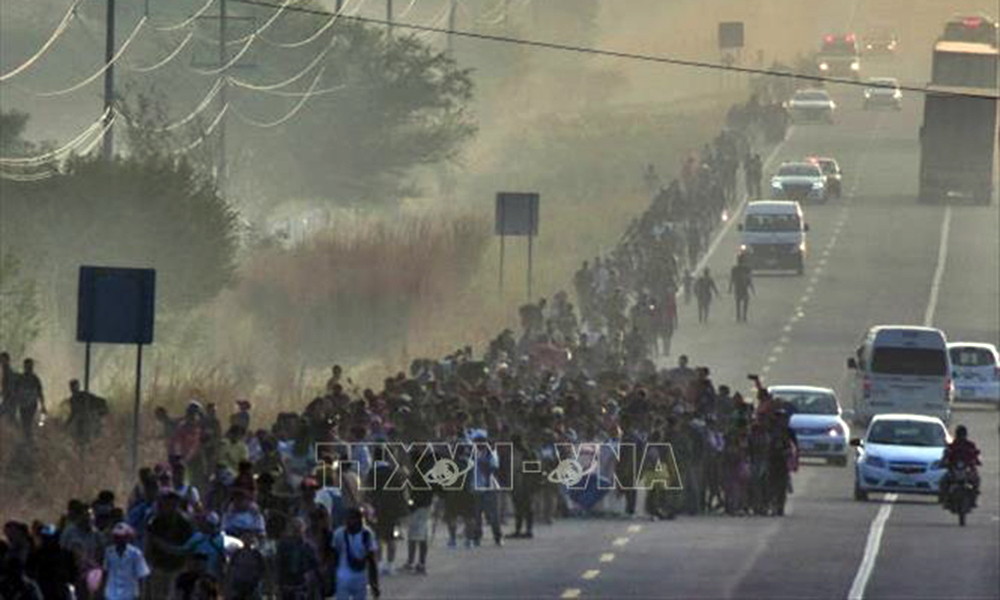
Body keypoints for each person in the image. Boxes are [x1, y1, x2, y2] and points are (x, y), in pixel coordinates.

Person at [331, 508, 380, 600]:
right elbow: (371, 560)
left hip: (348, 578)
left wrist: (374, 584)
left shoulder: (339, 534)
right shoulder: (367, 533)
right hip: (356, 577)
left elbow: (334, 558)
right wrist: (374, 584)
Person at [102, 523, 151, 600]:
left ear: (128, 538)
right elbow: (105, 572)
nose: (118, 539)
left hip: (129, 594)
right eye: (116, 537)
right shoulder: (109, 552)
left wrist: (141, 595)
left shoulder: (135, 554)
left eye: (121, 537)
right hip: (112, 594)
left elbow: (142, 575)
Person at [939, 425, 981, 505]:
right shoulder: (952, 445)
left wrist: (976, 461)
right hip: (954, 469)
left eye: (963, 434)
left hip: (966, 469)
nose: (961, 436)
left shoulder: (970, 445)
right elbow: (946, 455)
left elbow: (976, 455)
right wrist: (944, 462)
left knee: (976, 479)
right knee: (943, 481)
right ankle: (944, 499)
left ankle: (974, 499)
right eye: (960, 434)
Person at [64, 379, 110, 447]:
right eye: (72, 387)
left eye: (75, 387)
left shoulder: (84, 395)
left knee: (90, 438)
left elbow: (98, 401)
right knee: (81, 439)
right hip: (82, 423)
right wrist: (67, 424)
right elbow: (73, 413)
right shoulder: (72, 400)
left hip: (89, 420)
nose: (73, 389)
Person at [12, 358, 45, 442]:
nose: (29, 368)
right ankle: (27, 439)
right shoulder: (20, 378)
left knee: (28, 422)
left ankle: (29, 439)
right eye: (27, 366)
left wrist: (43, 406)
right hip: (23, 404)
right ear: (24, 367)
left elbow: (40, 392)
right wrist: (15, 403)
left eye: (30, 366)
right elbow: (15, 392)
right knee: (24, 422)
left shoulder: (35, 379)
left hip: (32, 404)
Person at [728, 257, 755, 322]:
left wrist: (730, 288)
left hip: (737, 287)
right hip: (744, 287)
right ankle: (744, 316)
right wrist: (752, 289)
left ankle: (738, 316)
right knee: (746, 302)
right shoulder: (747, 269)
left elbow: (732, 279)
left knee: (738, 302)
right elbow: (749, 279)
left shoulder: (734, 269)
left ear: (737, 261)